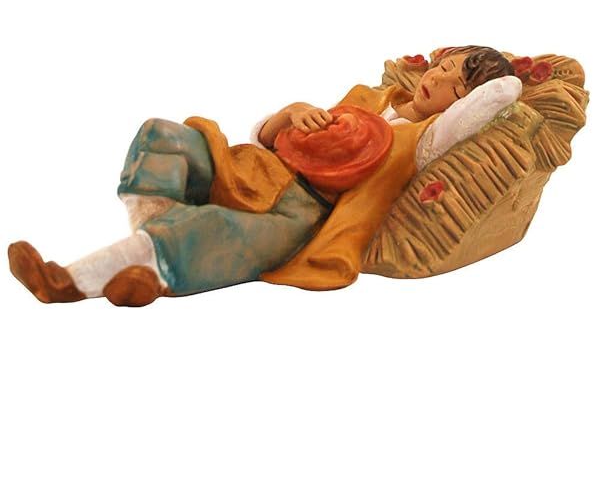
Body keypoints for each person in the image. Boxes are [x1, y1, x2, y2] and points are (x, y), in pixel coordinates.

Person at [8, 46, 522, 306]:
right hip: (259, 167)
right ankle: (150, 262)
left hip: (301, 210)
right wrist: (291, 113)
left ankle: (70, 281)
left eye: (458, 86)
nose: (440, 79)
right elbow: (269, 137)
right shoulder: (371, 97)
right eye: (444, 66)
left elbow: (495, 99)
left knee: (209, 228)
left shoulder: (425, 140)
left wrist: (508, 78)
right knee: (160, 137)